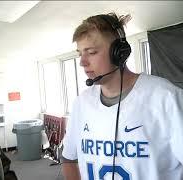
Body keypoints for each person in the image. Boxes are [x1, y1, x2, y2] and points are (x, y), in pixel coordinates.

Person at [62, 12, 183, 180]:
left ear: (120, 53)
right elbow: (68, 159)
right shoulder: (81, 103)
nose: (82, 62)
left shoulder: (166, 98)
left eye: (91, 52)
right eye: (80, 53)